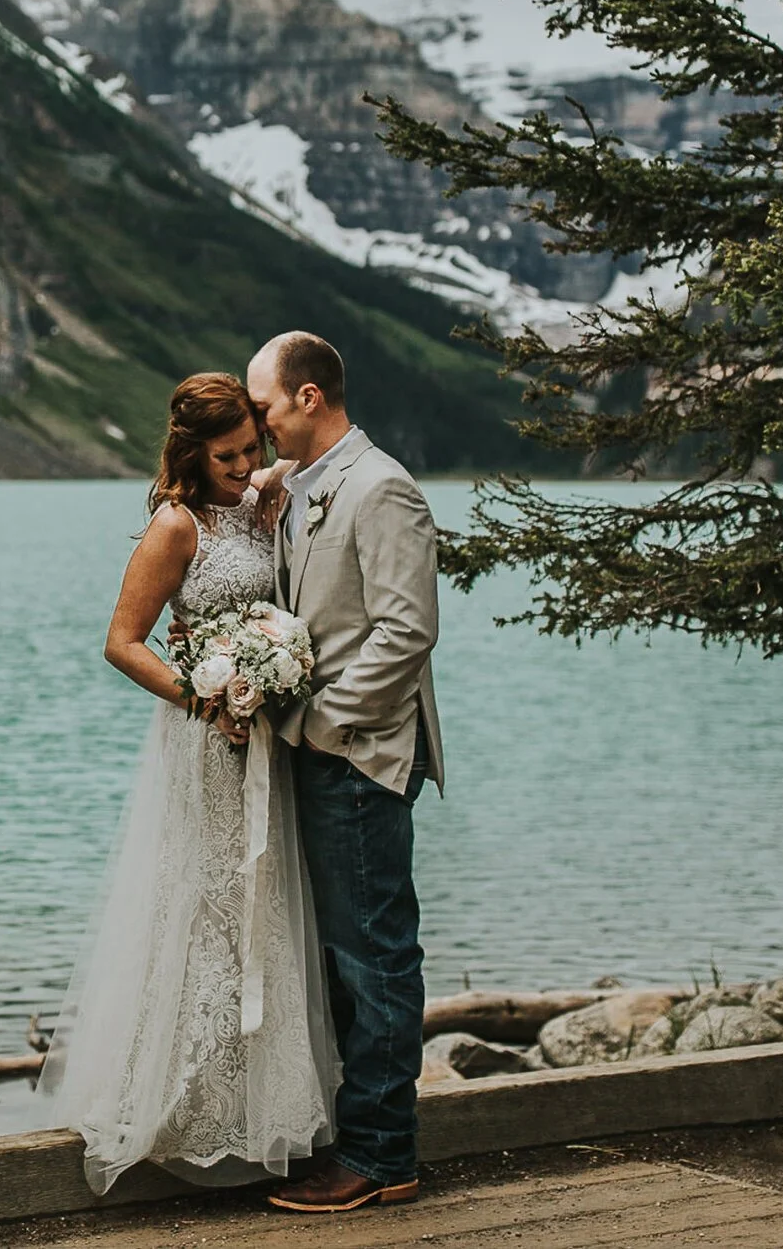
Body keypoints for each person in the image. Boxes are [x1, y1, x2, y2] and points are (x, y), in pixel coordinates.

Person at [41, 372, 339, 1194]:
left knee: (266, 905)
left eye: (251, 447)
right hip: (208, 745)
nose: (246, 464)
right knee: (205, 905)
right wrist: (205, 698)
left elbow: (302, 468)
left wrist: (271, 484)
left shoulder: (256, 499)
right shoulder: (175, 527)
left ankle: (265, 1112)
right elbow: (122, 641)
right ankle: (179, 1108)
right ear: (191, 453)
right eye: (228, 456)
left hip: (267, 746)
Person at [245, 330, 443, 1214]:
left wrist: (324, 723)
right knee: (337, 956)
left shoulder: (382, 488)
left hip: (359, 757)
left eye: (266, 410)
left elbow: (406, 631)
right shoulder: (296, 486)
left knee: (375, 958)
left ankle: (382, 1154)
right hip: (314, 757)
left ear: (310, 398)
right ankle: (350, 1136)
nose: (260, 429)